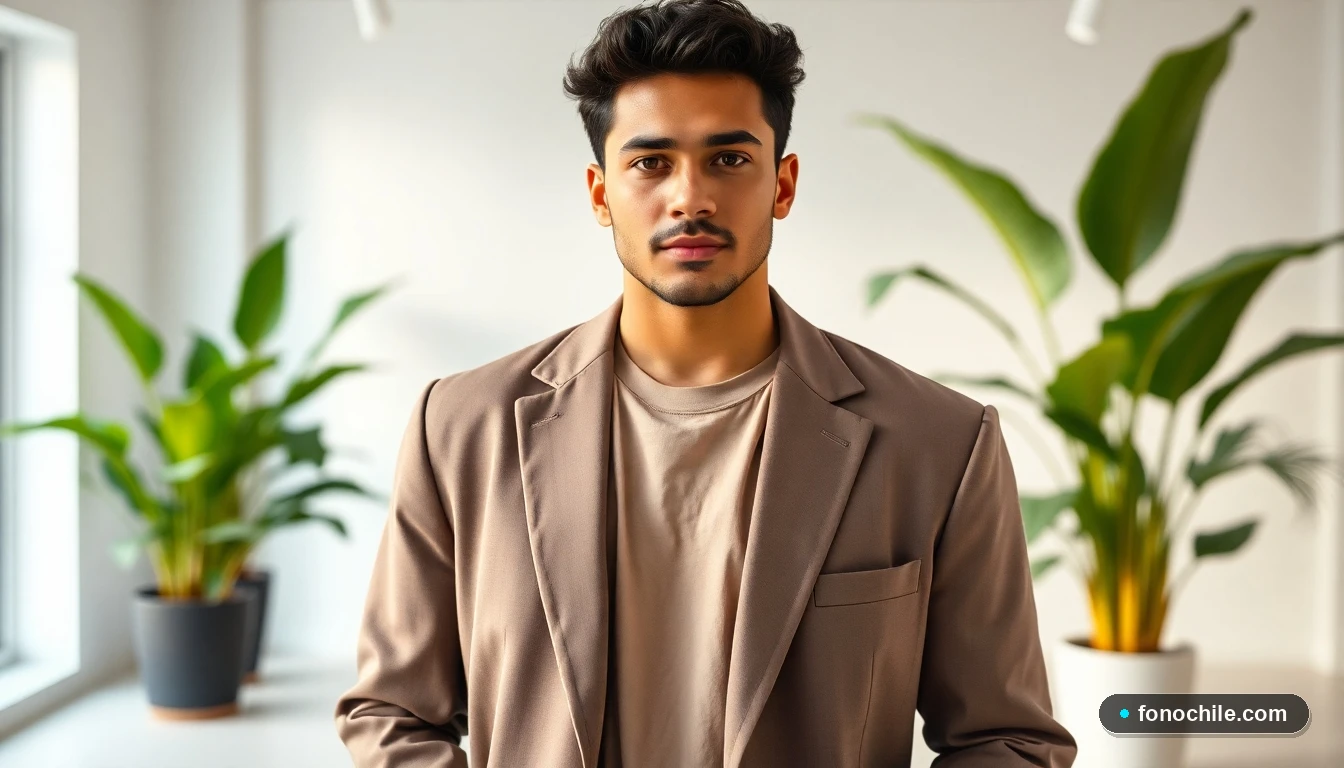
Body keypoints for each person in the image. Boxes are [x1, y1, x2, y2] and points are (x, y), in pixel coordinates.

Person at [334, 1, 1077, 766]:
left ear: (782, 184)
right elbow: (392, 713)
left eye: (729, 159)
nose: (690, 197)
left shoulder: (937, 442)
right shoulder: (460, 427)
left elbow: (1009, 740)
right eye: (650, 163)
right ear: (600, 193)